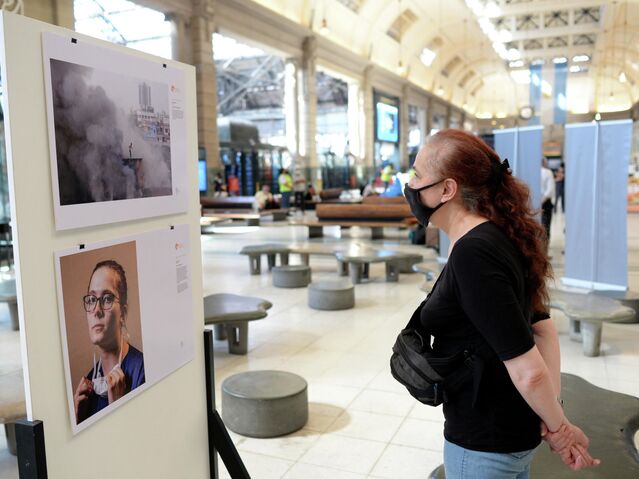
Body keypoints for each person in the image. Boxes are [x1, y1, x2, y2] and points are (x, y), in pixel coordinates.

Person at [402, 129, 599, 478]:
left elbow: (529, 370)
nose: (411, 184)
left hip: (484, 443)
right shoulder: (499, 235)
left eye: (418, 175)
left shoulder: (473, 255)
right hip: (511, 432)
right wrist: (552, 414)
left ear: (447, 189)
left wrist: (560, 431)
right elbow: (543, 329)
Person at [74, 260, 145, 424]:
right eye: (91, 299)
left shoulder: (142, 371)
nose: (96, 310)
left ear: (123, 313)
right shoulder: (88, 385)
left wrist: (118, 407)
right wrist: (78, 419)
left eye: (106, 298)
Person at [541, 158, 556, 244]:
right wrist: (542, 201)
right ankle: (544, 253)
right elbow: (550, 190)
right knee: (546, 227)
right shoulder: (548, 172)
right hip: (545, 203)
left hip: (533, 203)